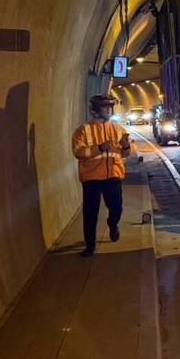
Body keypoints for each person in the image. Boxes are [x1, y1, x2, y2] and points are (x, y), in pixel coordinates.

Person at [71, 94, 131, 257]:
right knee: (90, 213)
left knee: (116, 208)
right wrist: (99, 148)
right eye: (105, 107)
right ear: (95, 111)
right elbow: (78, 151)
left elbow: (126, 153)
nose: (109, 110)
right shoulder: (83, 130)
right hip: (91, 178)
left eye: (111, 107)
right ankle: (90, 245)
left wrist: (126, 146)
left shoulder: (118, 129)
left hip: (113, 175)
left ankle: (113, 224)